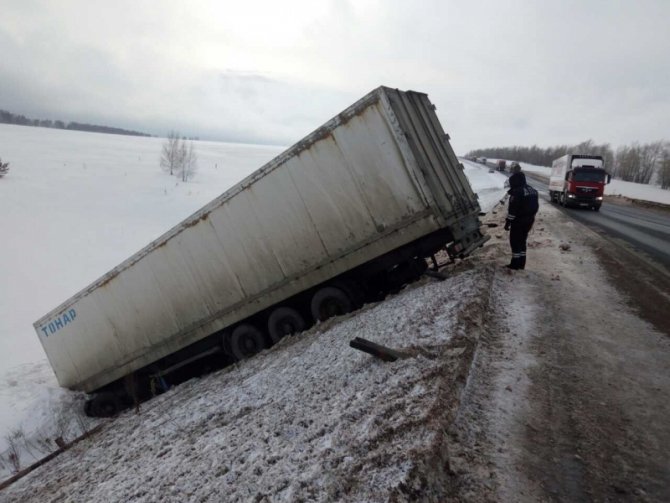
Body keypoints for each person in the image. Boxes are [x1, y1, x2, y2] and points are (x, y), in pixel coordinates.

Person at [504, 171, 538, 270]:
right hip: (529, 220)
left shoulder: (517, 192)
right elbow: (535, 207)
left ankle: (515, 264)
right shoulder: (533, 190)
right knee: (522, 241)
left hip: (518, 221)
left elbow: (513, 209)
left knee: (515, 242)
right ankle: (522, 263)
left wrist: (508, 222)